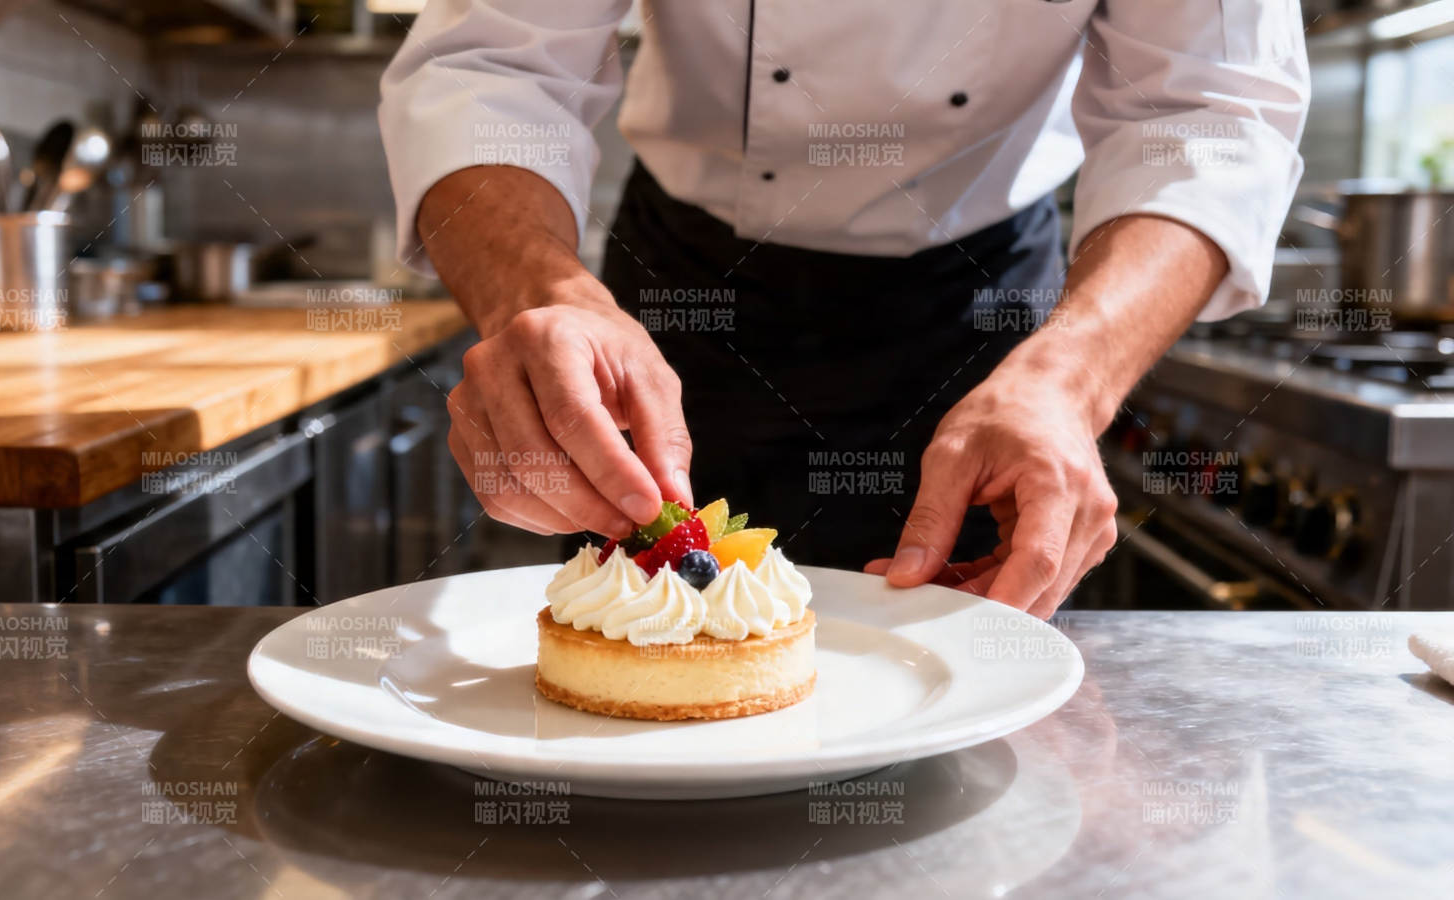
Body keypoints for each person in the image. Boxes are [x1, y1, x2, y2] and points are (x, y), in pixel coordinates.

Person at [378, 1, 1309, 619]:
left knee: (966, 691)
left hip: (983, 324)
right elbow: (492, 65)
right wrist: (541, 296)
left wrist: (1072, 380)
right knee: (646, 671)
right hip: (687, 305)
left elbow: (1211, 114)